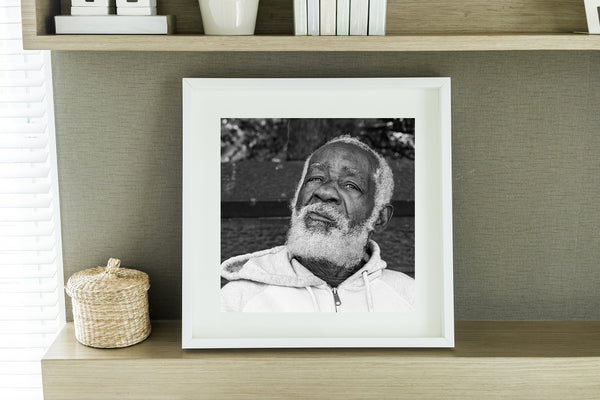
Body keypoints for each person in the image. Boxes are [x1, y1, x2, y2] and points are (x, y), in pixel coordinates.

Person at [220, 135, 415, 312]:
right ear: (296, 199)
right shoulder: (238, 300)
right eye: (315, 178)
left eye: (351, 185)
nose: (325, 192)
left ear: (379, 218)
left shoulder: (410, 298)